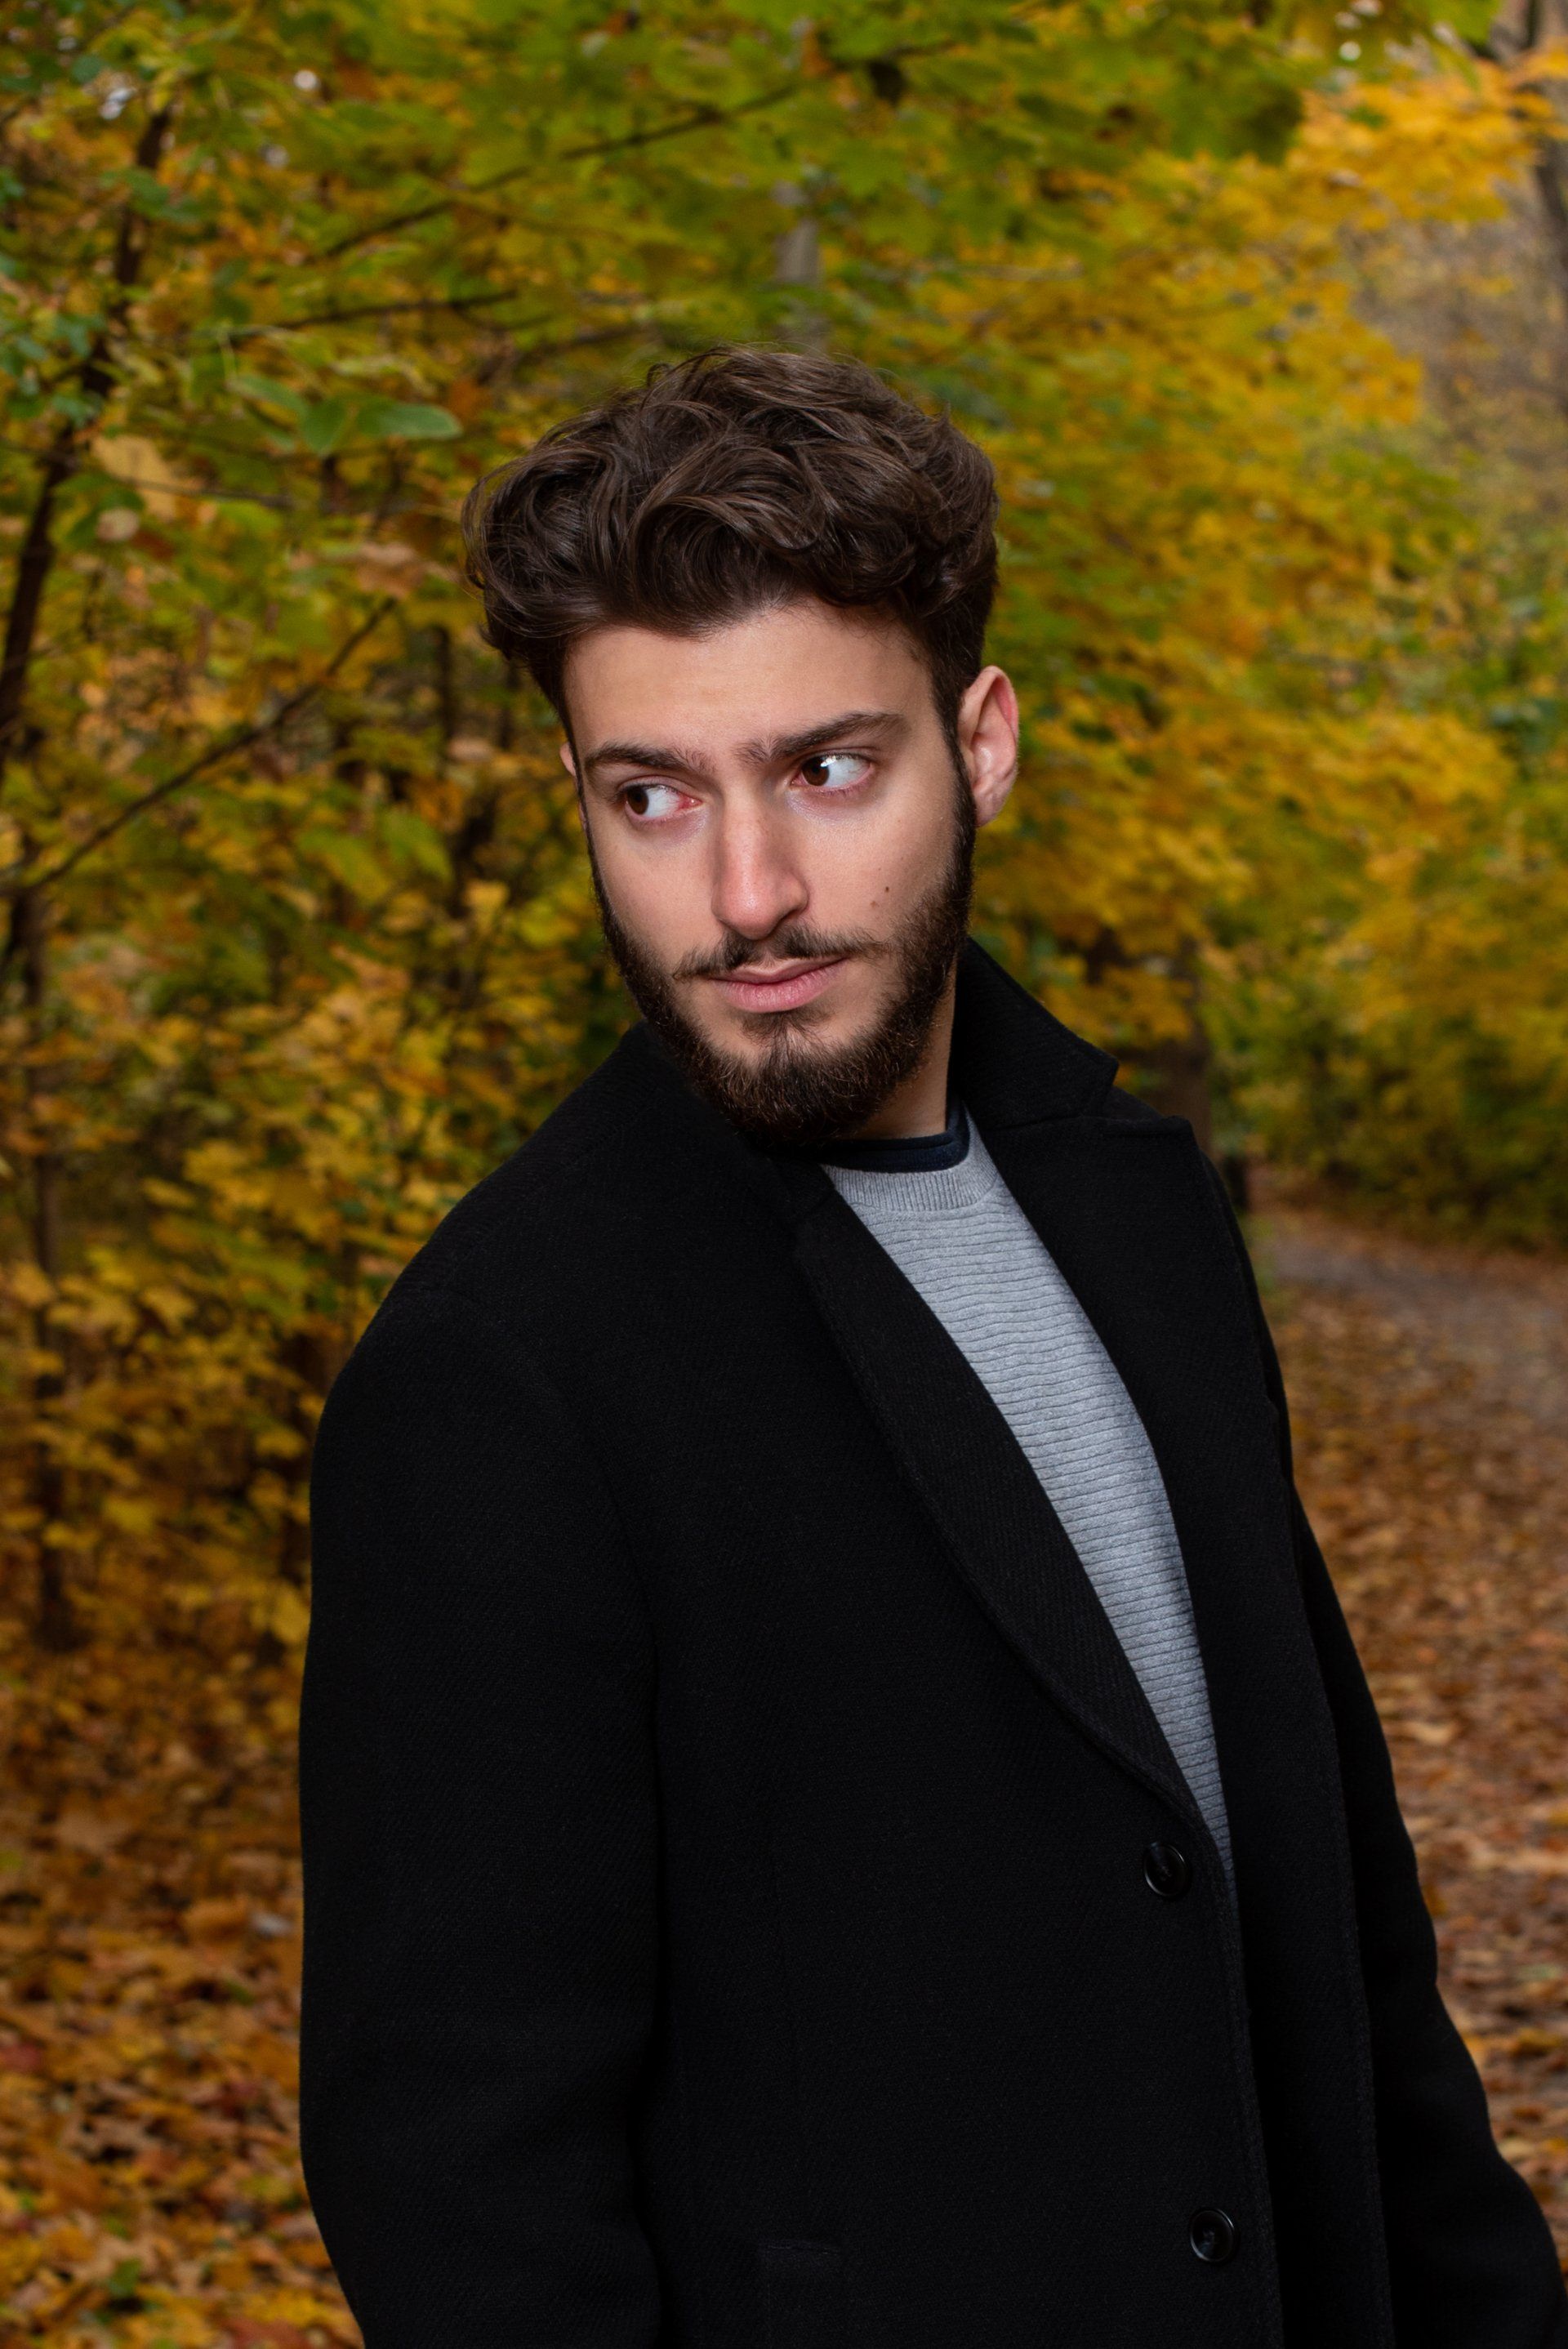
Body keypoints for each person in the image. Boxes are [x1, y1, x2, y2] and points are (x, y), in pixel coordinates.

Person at [298, 347, 1568, 2349]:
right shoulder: (499, 1373)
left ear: (980, 746)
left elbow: (1345, 1943)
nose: (747, 895)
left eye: (826, 769)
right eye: (653, 795)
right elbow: (463, 2192)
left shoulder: (1144, 1208)